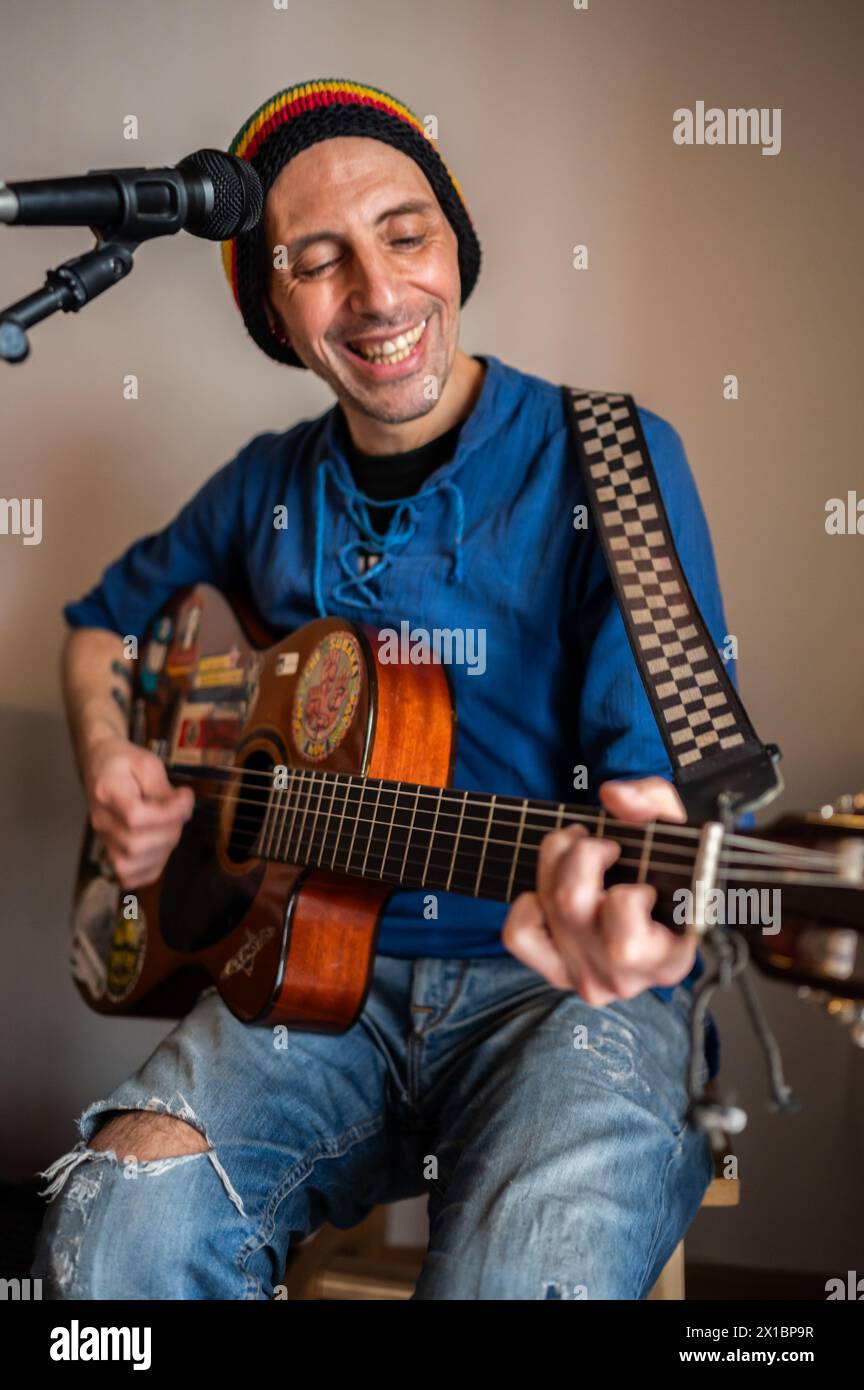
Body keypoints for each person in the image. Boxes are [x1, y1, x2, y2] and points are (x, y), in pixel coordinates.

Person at [33, 78, 739, 1300]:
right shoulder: (262, 485)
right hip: (302, 988)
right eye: (317, 261)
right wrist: (110, 756)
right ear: (273, 305)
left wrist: (645, 910)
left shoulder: (613, 462)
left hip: (558, 991)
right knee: (111, 1243)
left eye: (406, 236)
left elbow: (656, 797)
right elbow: (98, 628)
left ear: (455, 245)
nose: (377, 295)